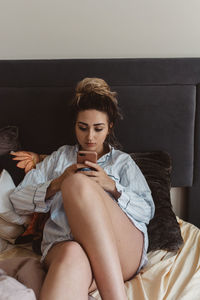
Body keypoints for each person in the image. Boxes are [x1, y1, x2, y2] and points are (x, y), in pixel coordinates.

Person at [10, 78, 155, 300]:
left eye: (98, 129)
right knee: (71, 252)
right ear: (74, 126)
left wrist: (112, 186)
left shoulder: (122, 163)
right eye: (83, 128)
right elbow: (17, 200)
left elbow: (147, 211)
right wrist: (58, 183)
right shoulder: (59, 158)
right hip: (67, 245)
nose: (90, 137)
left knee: (78, 183)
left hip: (121, 251)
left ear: (110, 127)